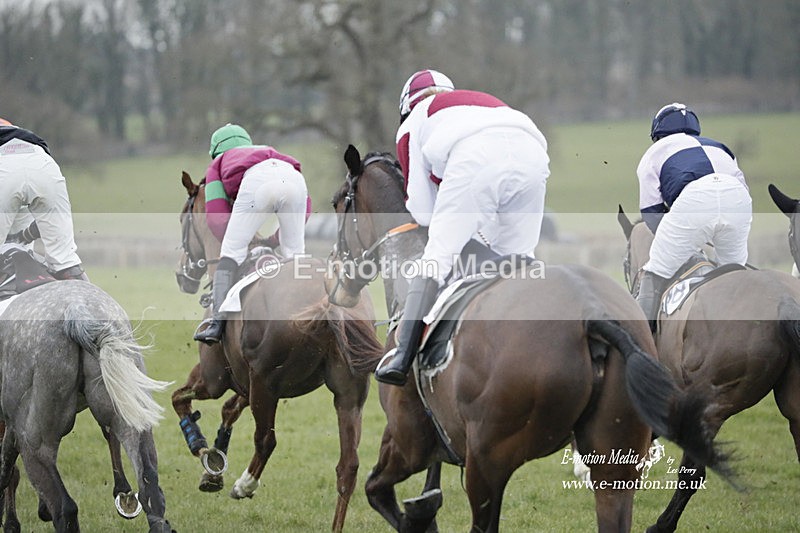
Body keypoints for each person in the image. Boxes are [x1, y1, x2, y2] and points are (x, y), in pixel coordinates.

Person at [374, 69, 550, 386]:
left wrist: (462, 240)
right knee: (519, 258)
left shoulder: (414, 121)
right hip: (534, 150)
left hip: (476, 154)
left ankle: (402, 355)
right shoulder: (473, 104)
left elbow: (422, 210)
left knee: (437, 256)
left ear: (405, 107)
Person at [635, 103, 752, 331]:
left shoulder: (654, 153)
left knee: (655, 271)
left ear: (657, 134)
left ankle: (638, 344)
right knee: (734, 274)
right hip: (738, 199)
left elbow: (651, 212)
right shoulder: (720, 147)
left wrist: (680, 244)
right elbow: (739, 193)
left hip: (695, 199)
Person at [194, 123, 311, 344]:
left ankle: (216, 324)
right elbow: (306, 209)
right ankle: (306, 311)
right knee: (295, 257)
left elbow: (217, 220)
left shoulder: (217, 165)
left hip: (258, 183)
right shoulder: (269, 151)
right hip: (294, 179)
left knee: (230, 252)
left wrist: (241, 243)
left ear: (216, 152)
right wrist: (275, 240)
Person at [0, 117, 87, 280]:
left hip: (4, 168)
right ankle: (91, 302)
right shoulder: (7, 123)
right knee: (65, 261)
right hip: (41, 163)